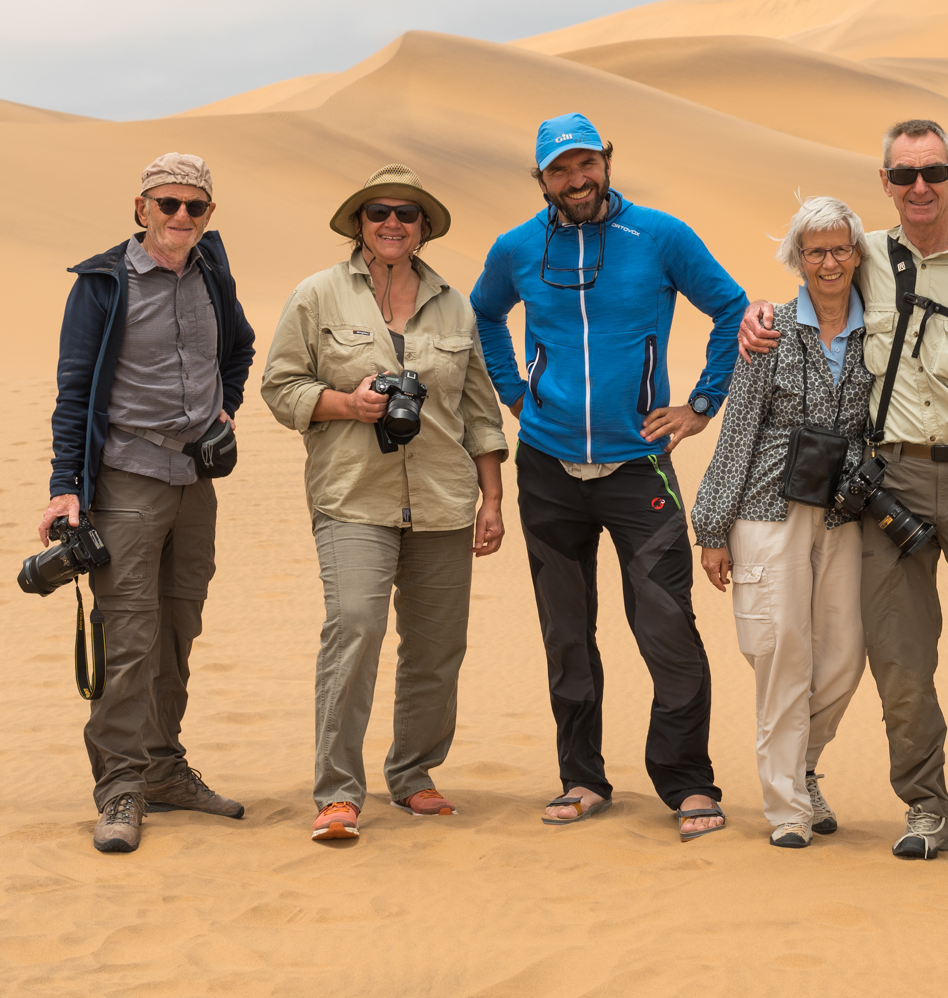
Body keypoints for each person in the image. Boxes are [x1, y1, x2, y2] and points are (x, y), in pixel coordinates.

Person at [739, 118, 948, 873]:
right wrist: (756, 317)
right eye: (904, 175)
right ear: (884, 183)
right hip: (893, 486)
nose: (920, 187)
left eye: (934, 172)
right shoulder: (867, 256)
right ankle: (925, 807)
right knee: (901, 664)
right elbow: (808, 295)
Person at [470, 113, 749, 841]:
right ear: (542, 181)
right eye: (560, 170)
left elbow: (730, 308)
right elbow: (484, 316)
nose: (577, 180)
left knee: (668, 630)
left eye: (587, 163)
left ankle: (688, 783)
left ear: (608, 161)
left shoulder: (660, 237)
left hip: (638, 466)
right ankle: (582, 778)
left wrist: (701, 404)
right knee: (567, 634)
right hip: (548, 466)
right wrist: (515, 392)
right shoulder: (517, 247)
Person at [261, 165, 509, 843]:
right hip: (351, 498)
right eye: (379, 213)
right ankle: (339, 792)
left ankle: (414, 776)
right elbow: (280, 387)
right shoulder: (316, 296)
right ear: (360, 225)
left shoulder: (455, 306)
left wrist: (492, 497)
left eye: (407, 213)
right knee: (355, 626)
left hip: (443, 501)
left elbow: (480, 411)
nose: (393, 223)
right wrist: (349, 403)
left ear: (424, 227)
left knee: (436, 648)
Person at [42, 152, 256, 854]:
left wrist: (226, 408)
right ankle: (120, 789)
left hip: (194, 480)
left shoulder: (213, 274)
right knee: (128, 638)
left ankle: (165, 770)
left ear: (209, 215)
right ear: (141, 209)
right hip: (127, 475)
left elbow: (241, 348)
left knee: (177, 627)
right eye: (168, 204)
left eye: (195, 207)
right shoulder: (103, 285)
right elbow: (75, 390)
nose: (181, 218)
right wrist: (64, 488)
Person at [692, 197, 873, 849]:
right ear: (797, 258)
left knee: (845, 655)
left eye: (839, 248)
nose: (828, 261)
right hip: (767, 506)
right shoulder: (769, 328)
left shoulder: (878, 329)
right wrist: (713, 527)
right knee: (781, 653)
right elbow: (738, 427)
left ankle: (802, 764)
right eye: (815, 250)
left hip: (844, 510)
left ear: (857, 255)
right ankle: (787, 806)